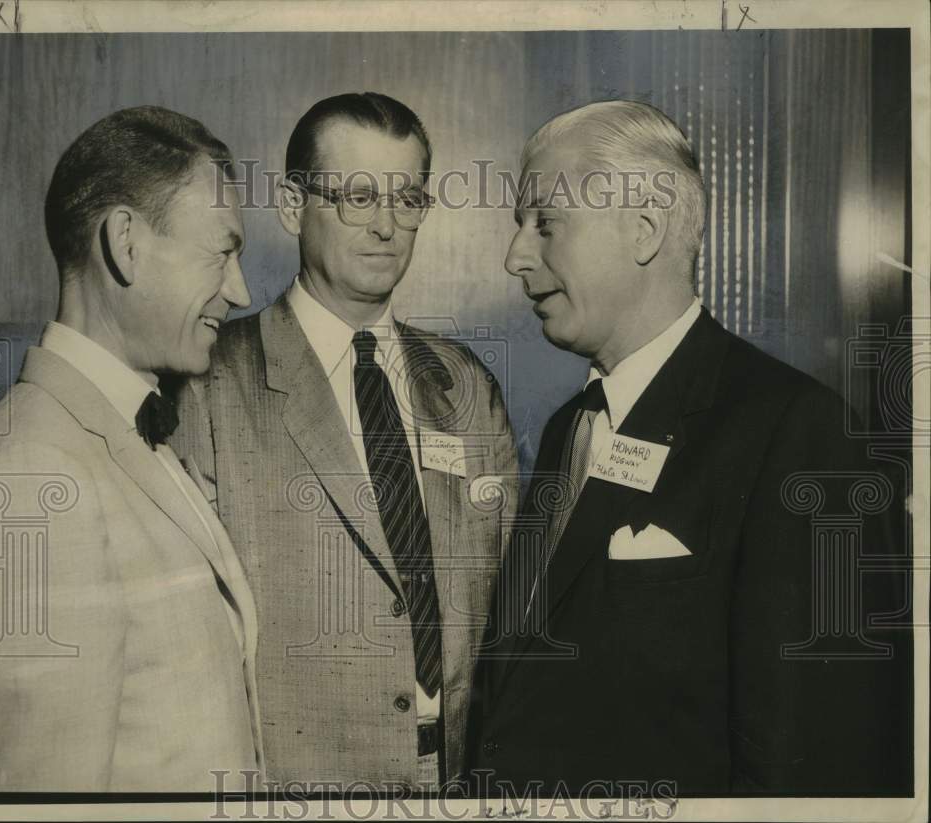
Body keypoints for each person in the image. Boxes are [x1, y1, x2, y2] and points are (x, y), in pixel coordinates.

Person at [470, 100, 911, 797]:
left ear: (643, 230)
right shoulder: (569, 428)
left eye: (544, 224)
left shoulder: (800, 432)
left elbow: (820, 763)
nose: (515, 256)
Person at [170, 92, 519, 791]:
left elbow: (511, 607)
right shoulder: (208, 385)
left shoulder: (464, 384)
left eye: (407, 198)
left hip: (463, 780)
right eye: (358, 197)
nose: (387, 226)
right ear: (295, 208)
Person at [0, 106, 262, 791]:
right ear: (125, 243)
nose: (241, 291)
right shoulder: (40, 472)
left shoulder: (126, 431)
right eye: (222, 250)